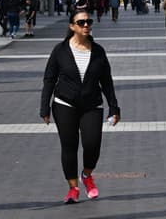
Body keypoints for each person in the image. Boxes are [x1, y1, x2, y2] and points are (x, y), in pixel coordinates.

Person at [40, 11, 120, 204]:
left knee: (92, 144)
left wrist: (114, 107)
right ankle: (73, 188)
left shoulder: (98, 51)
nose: (86, 25)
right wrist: (44, 107)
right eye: (81, 22)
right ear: (72, 26)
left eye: (88, 22)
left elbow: (106, 81)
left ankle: (87, 175)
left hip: (92, 104)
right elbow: (49, 79)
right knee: (69, 146)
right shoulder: (60, 50)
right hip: (64, 104)